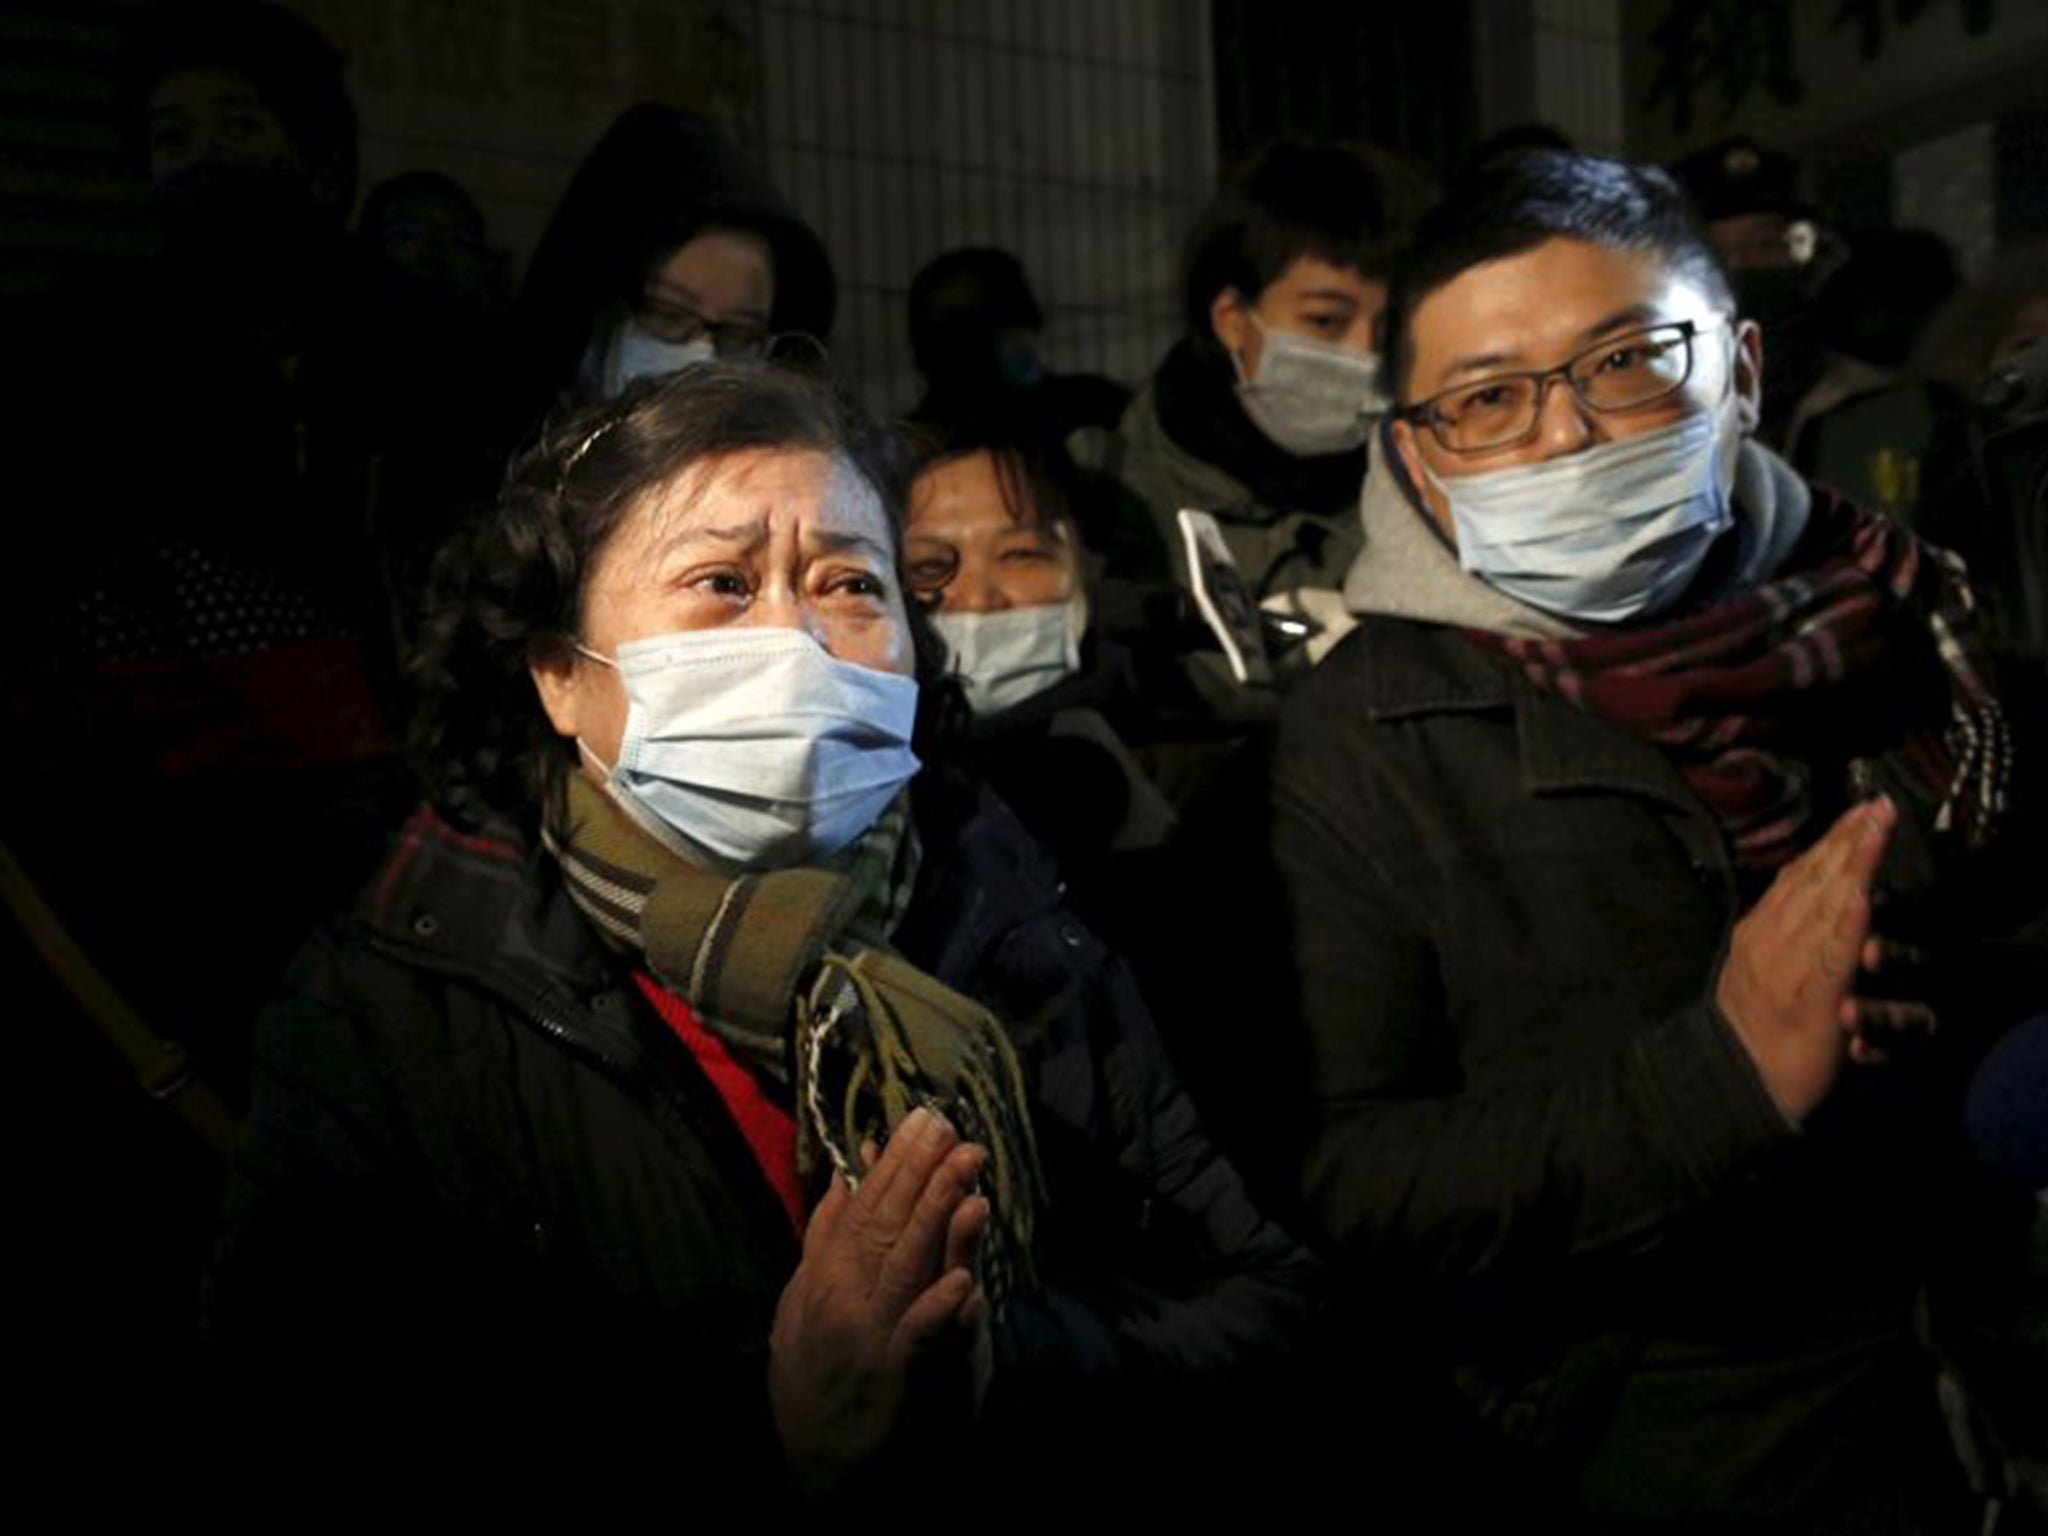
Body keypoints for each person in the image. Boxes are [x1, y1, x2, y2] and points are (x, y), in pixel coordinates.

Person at [206, 364, 1316, 1502]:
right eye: (722, 583)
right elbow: (304, 1420)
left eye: (849, 583)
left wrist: (1003, 1368)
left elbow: (1257, 1310)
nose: (797, 638)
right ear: (559, 678)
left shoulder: (1011, 916)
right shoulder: (403, 995)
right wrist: (770, 1427)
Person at [1263, 150, 2037, 1528]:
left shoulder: (1911, 623)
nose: (1566, 435)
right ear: (1416, 462)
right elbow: (1343, 1183)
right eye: (1489, 399)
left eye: (1625, 360)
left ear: (1738, 370)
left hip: (1965, 1403)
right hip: (1625, 1455)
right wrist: (1721, 1074)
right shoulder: (1364, 738)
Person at [1101, 138, 1431, 715]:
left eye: (1386, 331)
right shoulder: (1112, 494)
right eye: (1325, 320)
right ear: (1232, 319)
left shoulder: (1423, 487)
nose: (1364, 356)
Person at [905, 424, 1175, 926]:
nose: (980, 598)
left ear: (1088, 566)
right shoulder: (875, 787)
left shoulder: (1168, 753)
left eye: (1020, 555)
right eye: (930, 566)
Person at [503, 104, 834, 439]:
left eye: (738, 334)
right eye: (669, 315)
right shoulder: (500, 469)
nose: (701, 356)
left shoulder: (788, 478)